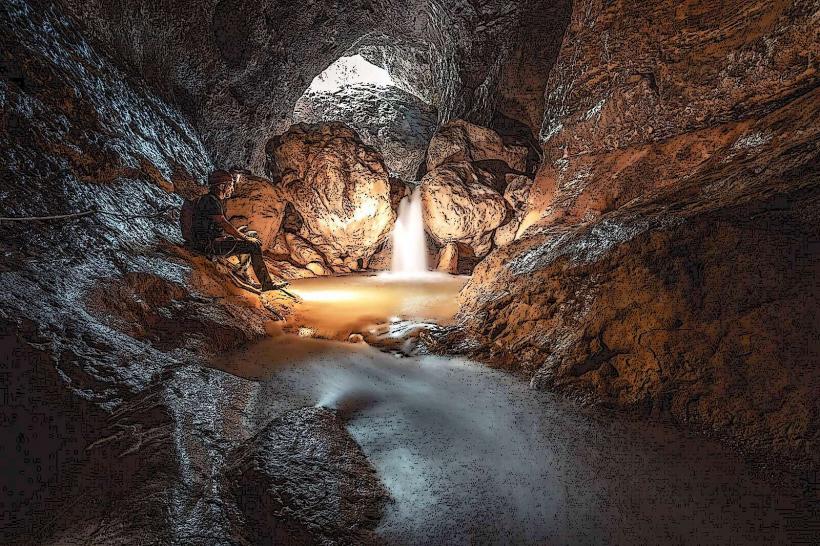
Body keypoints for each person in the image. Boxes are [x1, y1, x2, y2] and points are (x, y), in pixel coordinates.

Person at [191, 169, 284, 292]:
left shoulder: (212, 200)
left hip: (212, 241)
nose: (231, 188)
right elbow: (224, 224)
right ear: (221, 186)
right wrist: (244, 238)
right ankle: (267, 284)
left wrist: (243, 235)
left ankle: (242, 271)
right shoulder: (210, 201)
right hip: (209, 246)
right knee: (253, 245)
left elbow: (217, 226)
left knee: (252, 235)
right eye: (229, 185)